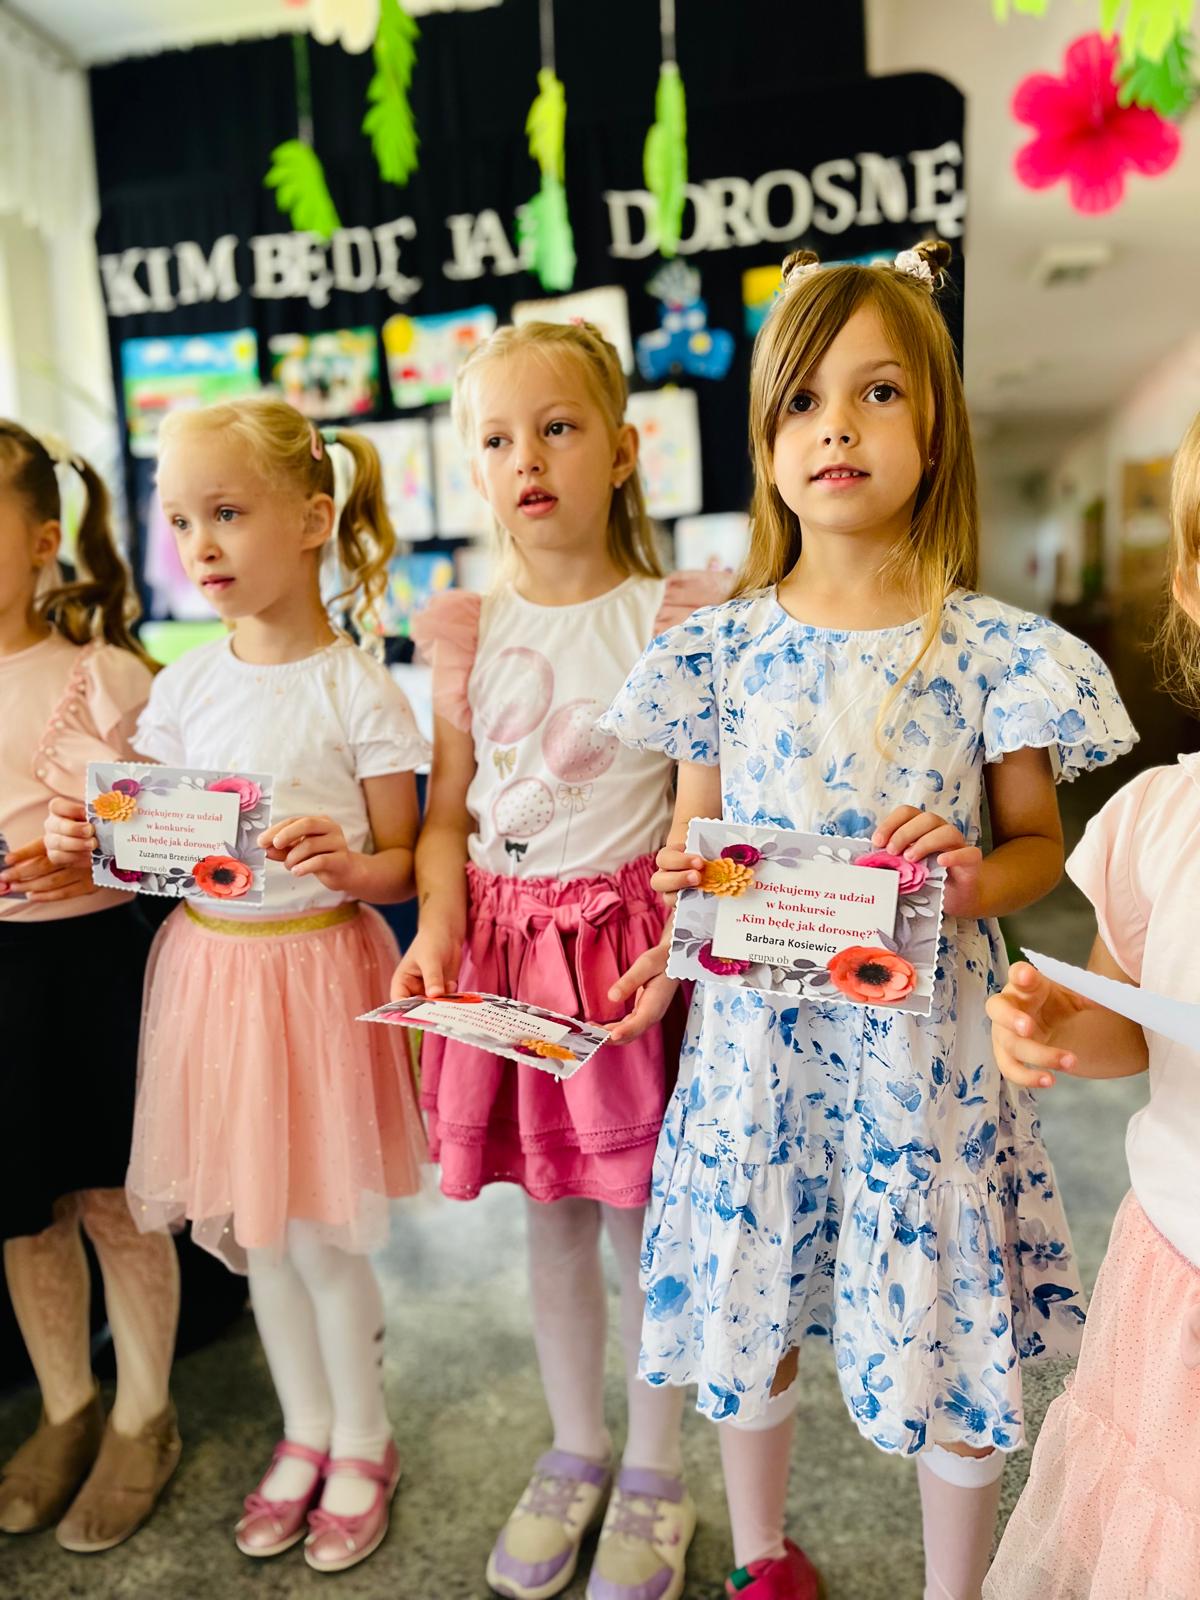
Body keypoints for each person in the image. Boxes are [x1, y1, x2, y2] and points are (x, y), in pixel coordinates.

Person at [599, 243, 1137, 1600]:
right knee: (756, 1307)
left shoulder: (994, 651)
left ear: (935, 428)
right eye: (803, 401)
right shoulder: (717, 650)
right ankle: (763, 1557)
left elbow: (1036, 848)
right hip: (758, 1056)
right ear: (766, 441)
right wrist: (683, 898)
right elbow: (698, 846)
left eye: (878, 392)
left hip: (925, 1059)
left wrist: (973, 876)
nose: (837, 426)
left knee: (945, 1328)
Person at [46, 396, 429, 1574]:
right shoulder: (182, 688)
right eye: (179, 520)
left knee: (322, 1232)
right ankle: (303, 1429)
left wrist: (349, 863)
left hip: (317, 972)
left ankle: (364, 1438)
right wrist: (87, 833)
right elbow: (153, 841)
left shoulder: (358, 690)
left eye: (225, 512)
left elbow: (405, 860)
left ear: (311, 519)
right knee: (259, 1232)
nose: (199, 544)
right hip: (211, 975)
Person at [394, 320, 728, 1600]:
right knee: (549, 1219)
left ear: (624, 450)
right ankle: (575, 1444)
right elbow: (444, 814)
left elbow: (697, 821)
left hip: (630, 965)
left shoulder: (675, 617)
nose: (526, 457)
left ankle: (655, 1469)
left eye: (557, 427)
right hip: (505, 963)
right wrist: (435, 927)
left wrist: (681, 947)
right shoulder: (465, 628)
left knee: (644, 1224)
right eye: (496, 438)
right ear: (472, 468)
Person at [983, 411, 1200, 1600]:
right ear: (1193, 590)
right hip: (1180, 1274)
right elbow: (1132, 1026)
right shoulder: (1162, 822)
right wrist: (1064, 1023)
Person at [0, 422, 181, 1553]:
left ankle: (143, 1416)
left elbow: (180, 837)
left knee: (118, 1200)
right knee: (25, 1214)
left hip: (96, 967)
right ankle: (65, 1406)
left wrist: (98, 859)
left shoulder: (104, 675)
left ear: (41, 540)